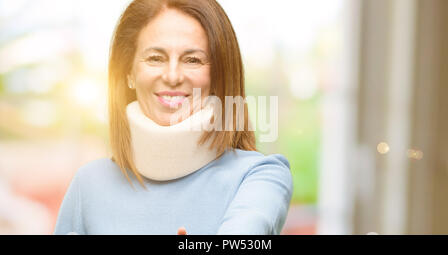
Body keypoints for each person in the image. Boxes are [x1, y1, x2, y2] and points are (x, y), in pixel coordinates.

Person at [54, 0, 293, 235]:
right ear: (129, 73)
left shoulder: (259, 176)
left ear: (218, 77)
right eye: (155, 58)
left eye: (193, 60)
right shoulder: (88, 185)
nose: (172, 76)